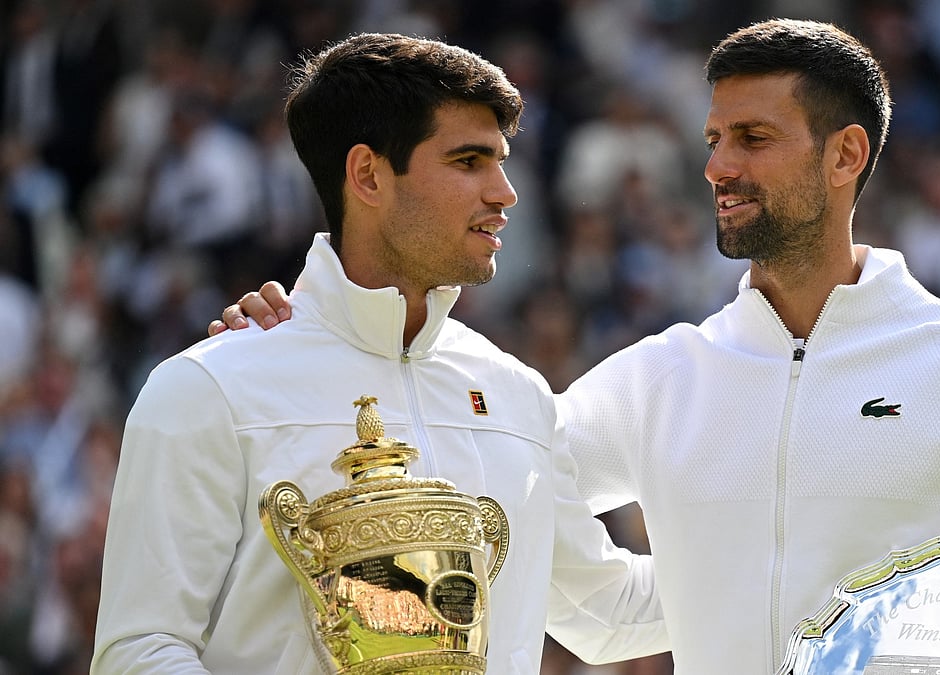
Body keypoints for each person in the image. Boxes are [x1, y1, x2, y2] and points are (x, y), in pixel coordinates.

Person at [214, 20, 940, 674]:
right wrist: (313, 349)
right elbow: (460, 452)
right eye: (713, 140)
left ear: (845, 154)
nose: (717, 167)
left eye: (753, 139)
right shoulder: (659, 377)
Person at [93, 33, 668, 675]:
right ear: (368, 174)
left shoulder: (517, 393)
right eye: (468, 161)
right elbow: (139, 651)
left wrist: (773, 550)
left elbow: (606, 610)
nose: (505, 193)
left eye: (500, 162)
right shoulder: (209, 389)